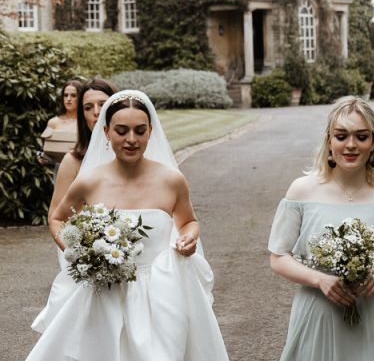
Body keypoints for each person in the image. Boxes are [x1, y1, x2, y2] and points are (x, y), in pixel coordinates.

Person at [26, 90, 229, 361]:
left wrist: (188, 239)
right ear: (107, 132)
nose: (131, 140)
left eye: (139, 131)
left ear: (150, 132)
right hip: (104, 291)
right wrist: (78, 252)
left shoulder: (172, 180)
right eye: (122, 131)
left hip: (161, 291)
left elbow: (188, 221)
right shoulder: (90, 181)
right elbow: (57, 218)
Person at [268, 95, 374, 361]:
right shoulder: (301, 191)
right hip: (318, 315)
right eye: (341, 136)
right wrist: (320, 279)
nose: (351, 145)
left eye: (361, 137)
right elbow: (278, 258)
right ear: (329, 140)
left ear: (373, 143)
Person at [46, 78, 117, 225]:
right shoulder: (72, 161)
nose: (96, 112)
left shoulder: (135, 155)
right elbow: (56, 217)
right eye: (88, 107)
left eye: (103, 105)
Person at [36, 79, 83, 171]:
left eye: (73, 95)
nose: (68, 99)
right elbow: (46, 151)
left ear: (80, 98)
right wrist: (42, 158)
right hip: (59, 171)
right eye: (66, 95)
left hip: (82, 171)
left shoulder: (86, 122)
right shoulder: (53, 122)